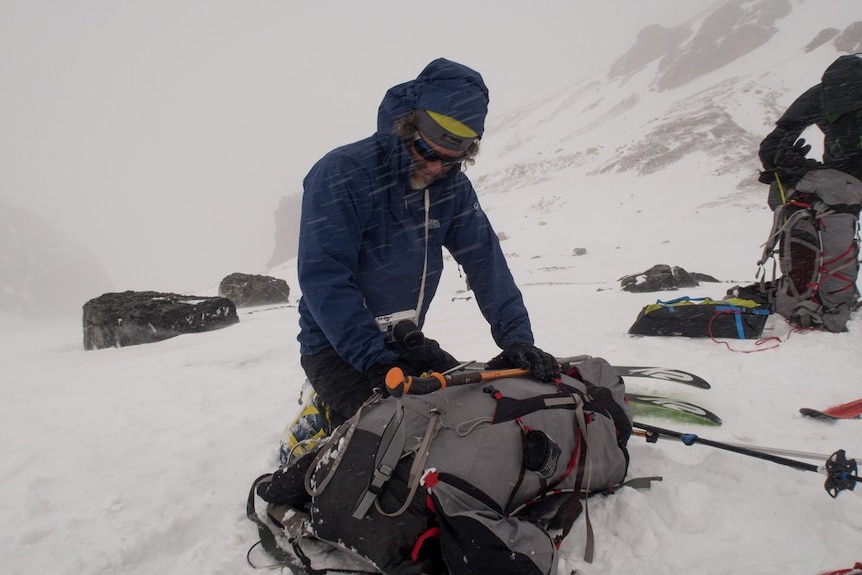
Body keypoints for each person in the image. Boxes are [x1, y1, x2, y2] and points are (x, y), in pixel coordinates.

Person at [295, 58, 558, 430]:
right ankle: (317, 422)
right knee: (395, 435)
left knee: (475, 414)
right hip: (337, 349)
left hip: (405, 342)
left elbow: (485, 263)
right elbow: (325, 278)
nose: (436, 168)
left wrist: (517, 340)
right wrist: (374, 360)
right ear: (407, 127)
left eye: (451, 161)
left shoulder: (452, 189)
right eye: (427, 151)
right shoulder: (342, 173)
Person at [758, 53, 862, 210]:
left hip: (841, 166)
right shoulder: (816, 98)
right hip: (840, 167)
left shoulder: (819, 97)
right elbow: (775, 141)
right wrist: (781, 166)